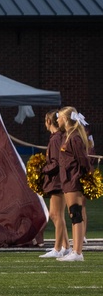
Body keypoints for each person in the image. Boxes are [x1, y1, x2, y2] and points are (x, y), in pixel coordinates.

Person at [56, 106, 92, 261]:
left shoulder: (74, 137)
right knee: (73, 214)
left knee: (75, 213)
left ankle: (77, 252)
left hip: (73, 180)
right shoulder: (69, 135)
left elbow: (83, 160)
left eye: (59, 117)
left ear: (65, 119)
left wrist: (83, 177)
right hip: (68, 180)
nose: (57, 119)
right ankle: (75, 251)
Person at [37, 111, 70, 258]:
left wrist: (42, 169)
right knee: (54, 214)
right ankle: (66, 246)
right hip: (57, 179)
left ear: (49, 122)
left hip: (57, 180)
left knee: (57, 214)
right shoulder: (57, 138)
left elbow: (56, 162)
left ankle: (57, 248)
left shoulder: (56, 139)